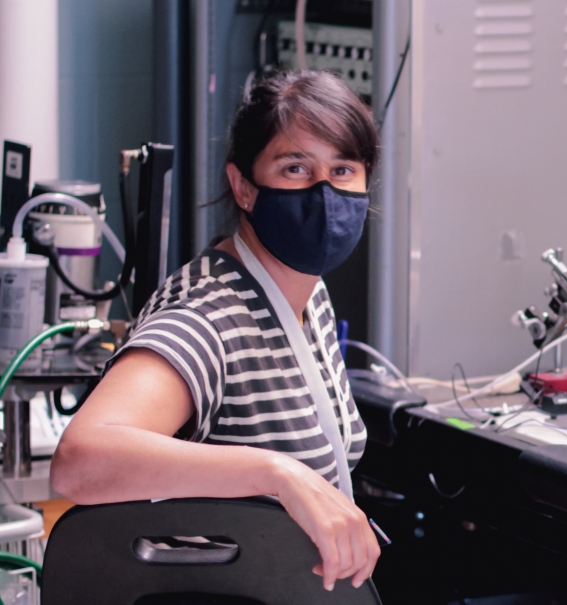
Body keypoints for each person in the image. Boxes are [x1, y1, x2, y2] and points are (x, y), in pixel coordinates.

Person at [51, 70, 380, 592]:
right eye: (295, 167)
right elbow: (80, 461)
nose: (323, 192)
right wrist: (277, 473)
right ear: (243, 187)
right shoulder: (208, 316)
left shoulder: (308, 293)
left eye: (343, 169)